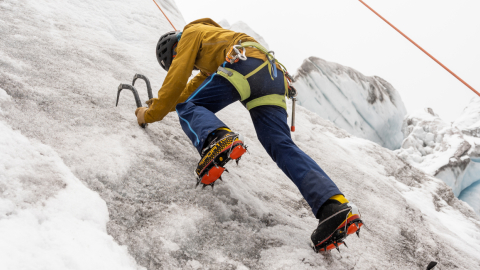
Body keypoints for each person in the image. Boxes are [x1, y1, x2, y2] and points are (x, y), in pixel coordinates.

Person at [134, 18, 363, 252]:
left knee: (188, 108)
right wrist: (159, 104)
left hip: (245, 64)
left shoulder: (191, 33)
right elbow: (188, 91)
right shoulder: (212, 52)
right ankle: (333, 207)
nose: (180, 59)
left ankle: (216, 139)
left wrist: (149, 114)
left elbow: (177, 79)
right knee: (280, 144)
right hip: (273, 76)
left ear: (176, 43)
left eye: (174, 55)